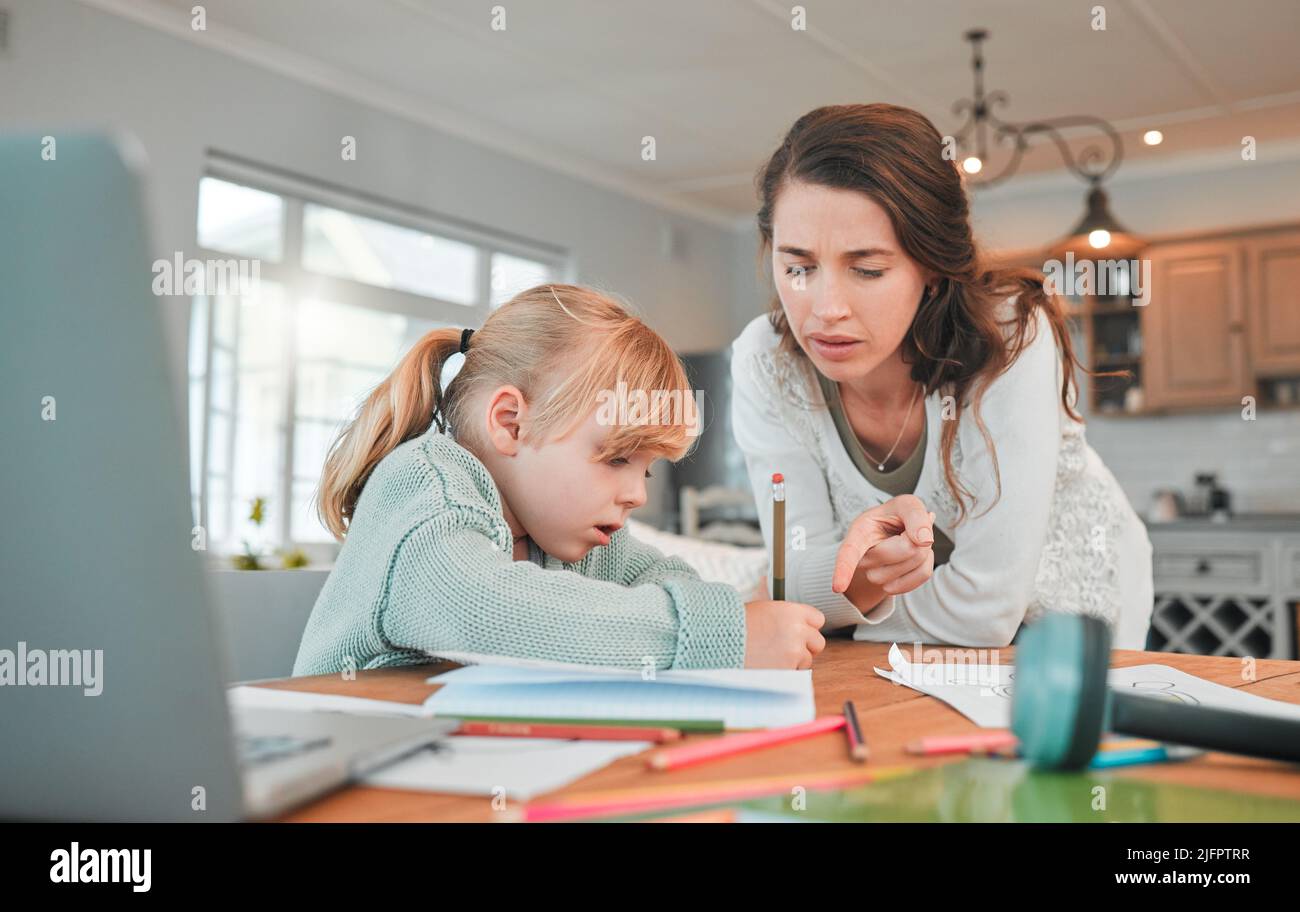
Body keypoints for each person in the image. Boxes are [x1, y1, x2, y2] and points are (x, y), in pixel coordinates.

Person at [730, 104, 1153, 650]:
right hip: (904, 649)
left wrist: (835, 600)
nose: (825, 308)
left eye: (867, 269)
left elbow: (988, 609)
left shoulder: (1011, 334)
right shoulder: (765, 360)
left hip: (1074, 623)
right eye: (799, 267)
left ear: (930, 267)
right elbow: (798, 577)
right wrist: (802, 596)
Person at [293, 284, 826, 676]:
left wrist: (741, 616)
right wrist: (722, 636)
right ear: (510, 422)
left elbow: (672, 585)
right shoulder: (423, 484)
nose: (637, 494)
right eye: (616, 459)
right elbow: (485, 610)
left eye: (646, 469)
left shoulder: (576, 535)